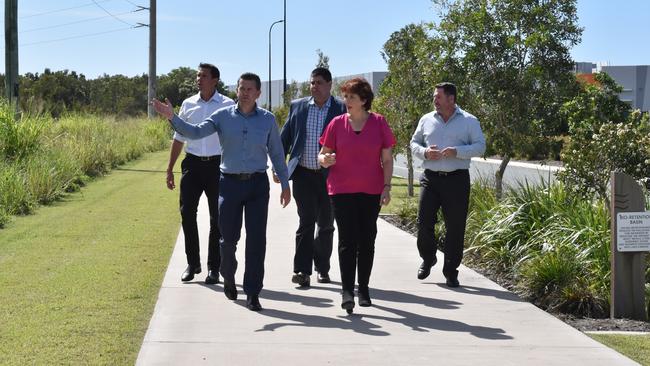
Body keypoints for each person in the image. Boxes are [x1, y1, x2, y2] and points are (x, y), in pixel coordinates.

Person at [152, 72, 291, 312]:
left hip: (258, 185)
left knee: (257, 241)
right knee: (227, 241)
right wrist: (172, 117)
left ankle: (253, 292)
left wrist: (286, 184)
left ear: (258, 93)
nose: (245, 92)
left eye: (250, 89)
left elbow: (277, 153)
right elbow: (194, 132)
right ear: (236, 90)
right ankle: (228, 274)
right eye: (241, 88)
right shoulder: (222, 116)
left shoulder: (267, 120)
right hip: (229, 184)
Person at [318, 77, 395, 313]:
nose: (347, 101)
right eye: (345, 96)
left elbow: (387, 158)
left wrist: (387, 186)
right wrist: (325, 160)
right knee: (347, 240)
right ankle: (347, 290)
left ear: (364, 100)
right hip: (341, 191)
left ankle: (364, 288)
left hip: (371, 191)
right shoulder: (336, 124)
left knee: (367, 239)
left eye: (351, 97)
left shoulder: (379, 123)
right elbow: (322, 155)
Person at [409, 82, 485, 288]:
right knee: (424, 222)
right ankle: (428, 257)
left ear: (451, 99)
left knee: (455, 227)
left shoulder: (469, 121)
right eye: (434, 96)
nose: (435, 100)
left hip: (457, 180)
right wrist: (425, 152)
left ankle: (451, 271)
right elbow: (414, 143)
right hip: (430, 178)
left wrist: (458, 151)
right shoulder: (426, 119)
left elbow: (480, 146)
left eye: (438, 97)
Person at [276, 67, 346, 288]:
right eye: (312, 82)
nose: (314, 87)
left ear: (329, 85)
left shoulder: (341, 109)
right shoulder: (298, 107)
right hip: (304, 174)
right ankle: (302, 270)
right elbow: (285, 138)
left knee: (326, 224)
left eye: (318, 83)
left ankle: (322, 268)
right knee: (305, 222)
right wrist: (280, 168)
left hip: (331, 177)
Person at [166, 63, 234, 284]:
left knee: (217, 218)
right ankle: (192, 263)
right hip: (192, 165)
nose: (198, 79)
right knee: (187, 213)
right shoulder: (188, 104)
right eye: (198, 75)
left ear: (215, 80)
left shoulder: (227, 104)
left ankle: (214, 268)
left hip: (217, 166)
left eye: (203, 75)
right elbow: (179, 137)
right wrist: (169, 168)